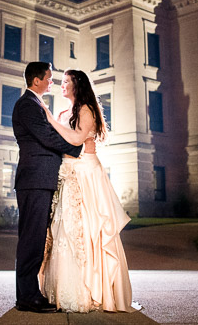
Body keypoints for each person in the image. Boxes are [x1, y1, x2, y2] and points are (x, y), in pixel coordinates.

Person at [38, 69, 136, 313]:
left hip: (86, 174)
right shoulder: (64, 112)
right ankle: (64, 290)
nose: (62, 85)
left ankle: (92, 289)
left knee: (90, 230)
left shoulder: (86, 110)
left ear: (77, 85)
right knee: (64, 230)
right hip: (67, 173)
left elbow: (77, 138)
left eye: (67, 82)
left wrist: (49, 120)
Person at [12, 62, 83, 313]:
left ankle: (27, 294)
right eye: (49, 79)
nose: (52, 82)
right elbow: (46, 137)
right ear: (36, 81)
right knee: (32, 239)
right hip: (34, 180)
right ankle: (28, 297)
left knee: (35, 238)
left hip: (39, 179)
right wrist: (76, 149)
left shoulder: (35, 104)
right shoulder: (27, 106)